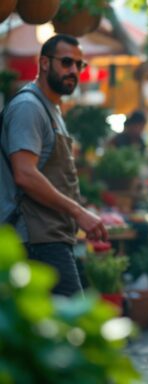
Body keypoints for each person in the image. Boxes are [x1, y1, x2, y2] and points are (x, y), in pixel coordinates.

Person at [0, 34, 107, 296]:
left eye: (79, 65)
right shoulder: (29, 107)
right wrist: (78, 212)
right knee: (73, 328)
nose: (74, 70)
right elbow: (25, 174)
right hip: (34, 237)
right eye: (67, 62)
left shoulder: (50, 107)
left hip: (50, 234)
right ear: (45, 63)